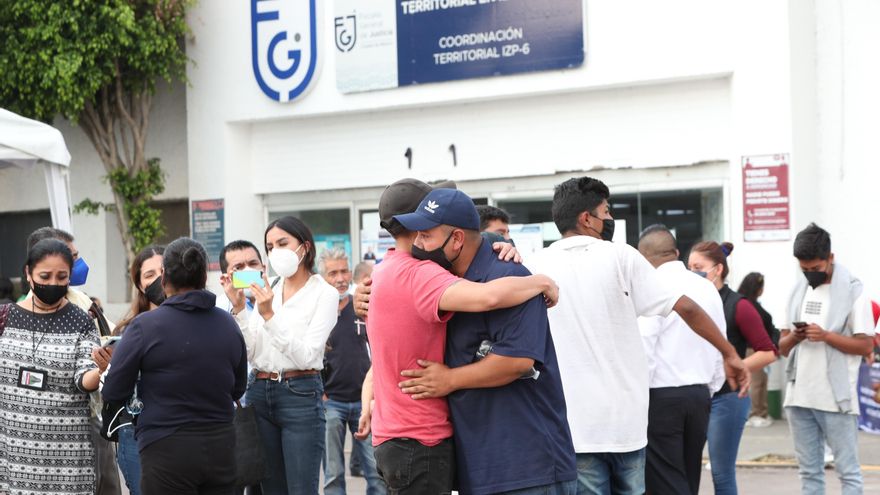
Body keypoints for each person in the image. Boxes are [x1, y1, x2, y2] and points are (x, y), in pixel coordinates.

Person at [524, 177, 749, 495]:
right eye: (606, 211)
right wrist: (730, 353)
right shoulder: (621, 257)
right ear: (586, 218)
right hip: (626, 426)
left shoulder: (534, 265)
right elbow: (687, 308)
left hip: (574, 428)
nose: (610, 218)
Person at [356, 179, 559, 495]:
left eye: (429, 231)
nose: (424, 240)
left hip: (403, 438)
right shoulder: (419, 274)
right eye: (420, 230)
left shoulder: (386, 270)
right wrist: (542, 282)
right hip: (418, 439)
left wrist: (495, 241)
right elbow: (487, 298)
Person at [103, 237, 248, 494]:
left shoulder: (145, 326)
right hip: (221, 446)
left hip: (166, 448)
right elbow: (237, 388)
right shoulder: (228, 323)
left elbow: (114, 390)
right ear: (204, 277)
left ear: (164, 279)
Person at [231, 216, 339, 494]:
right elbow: (252, 351)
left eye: (282, 243)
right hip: (260, 389)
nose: (275, 252)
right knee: (270, 489)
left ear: (304, 247)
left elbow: (307, 355)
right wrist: (242, 309)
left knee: (301, 488)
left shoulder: (323, 293)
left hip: (300, 393)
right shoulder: (270, 289)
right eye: (269, 247)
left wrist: (268, 315)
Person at [0, 238, 104, 494]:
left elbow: (83, 379)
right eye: (45, 276)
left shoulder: (81, 320)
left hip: (67, 463)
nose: (53, 284)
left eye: (62, 277)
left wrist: (102, 368)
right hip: (14, 458)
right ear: (28, 273)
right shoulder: (5, 317)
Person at [778, 223, 874, 494]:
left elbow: (866, 345)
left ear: (831, 258)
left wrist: (826, 336)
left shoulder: (855, 293)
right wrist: (797, 336)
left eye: (816, 269)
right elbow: (782, 347)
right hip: (799, 397)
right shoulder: (797, 291)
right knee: (809, 474)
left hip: (836, 399)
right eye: (804, 270)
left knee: (849, 474)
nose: (810, 275)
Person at [24, 226, 121, 495]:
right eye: (73, 257)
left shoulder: (80, 299)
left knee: (107, 486)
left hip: (94, 413)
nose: (78, 264)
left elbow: (109, 334)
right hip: (57, 426)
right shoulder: (22, 316)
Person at [636, 224, 726, 495]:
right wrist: (709, 389)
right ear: (676, 253)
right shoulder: (706, 287)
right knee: (689, 478)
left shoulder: (652, 285)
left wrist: (639, 397)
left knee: (665, 482)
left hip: (661, 397)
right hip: (699, 395)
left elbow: (645, 345)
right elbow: (719, 340)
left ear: (642, 258)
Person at [688, 241, 777, 494]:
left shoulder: (739, 305)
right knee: (686, 468)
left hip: (727, 397)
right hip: (695, 396)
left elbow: (768, 352)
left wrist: (735, 365)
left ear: (718, 270)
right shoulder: (688, 302)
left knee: (721, 472)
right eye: (689, 267)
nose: (692, 272)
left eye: (698, 267)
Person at [95, 245, 165, 495]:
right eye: (149, 275)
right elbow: (113, 390)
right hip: (134, 429)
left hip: (182, 431)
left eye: (164, 270)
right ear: (139, 285)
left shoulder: (200, 320)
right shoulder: (127, 331)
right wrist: (106, 370)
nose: (159, 279)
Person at [319, 248, 386, 495]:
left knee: (376, 474)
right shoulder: (319, 311)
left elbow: (379, 348)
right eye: (332, 272)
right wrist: (321, 393)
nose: (339, 278)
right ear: (321, 275)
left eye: (344, 271)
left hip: (364, 402)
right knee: (333, 475)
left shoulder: (363, 305)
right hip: (331, 403)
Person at [737, 272, 779, 428]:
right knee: (756, 383)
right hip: (751, 350)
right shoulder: (745, 305)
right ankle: (754, 413)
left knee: (762, 382)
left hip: (760, 350)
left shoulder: (753, 304)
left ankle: (761, 412)